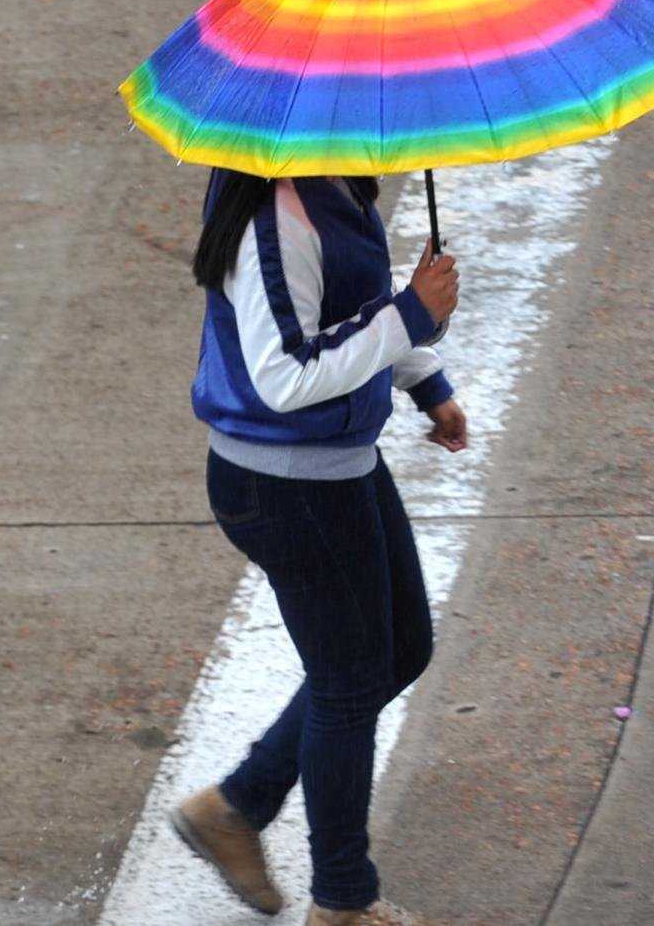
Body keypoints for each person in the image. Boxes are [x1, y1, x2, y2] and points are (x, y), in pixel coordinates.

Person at [166, 167, 464, 926]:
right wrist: (410, 315)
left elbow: (350, 312)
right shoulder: (275, 214)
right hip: (289, 487)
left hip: (335, 466)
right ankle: (341, 901)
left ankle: (235, 805)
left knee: (397, 651)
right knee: (348, 681)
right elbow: (284, 376)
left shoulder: (332, 183)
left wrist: (424, 377)